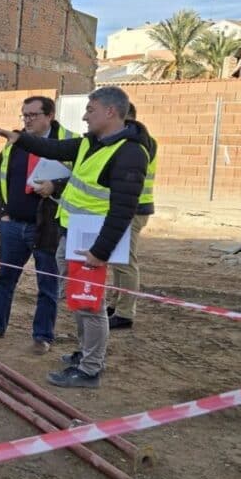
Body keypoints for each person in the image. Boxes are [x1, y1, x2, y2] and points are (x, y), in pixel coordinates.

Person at [0, 86, 149, 388]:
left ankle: (90, 369)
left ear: (110, 112)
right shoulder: (93, 142)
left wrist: (100, 251)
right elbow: (55, 150)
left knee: (91, 304)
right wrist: (19, 138)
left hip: (93, 241)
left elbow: (123, 210)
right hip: (74, 234)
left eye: (90, 110)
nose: (85, 116)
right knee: (78, 301)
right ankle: (83, 353)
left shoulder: (129, 153)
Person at [0, 96, 79, 354]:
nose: (27, 120)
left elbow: (83, 182)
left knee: (47, 284)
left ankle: (42, 336)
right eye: (25, 115)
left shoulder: (70, 142)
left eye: (33, 115)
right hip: (13, 225)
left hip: (48, 226)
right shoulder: (15, 143)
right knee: (4, 280)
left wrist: (56, 187)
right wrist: (3, 213)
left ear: (49, 115)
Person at [105, 102, 157, 330]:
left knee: (125, 262)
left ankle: (125, 313)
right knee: (117, 261)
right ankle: (116, 303)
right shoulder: (137, 140)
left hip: (133, 209)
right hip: (130, 208)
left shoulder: (138, 143)